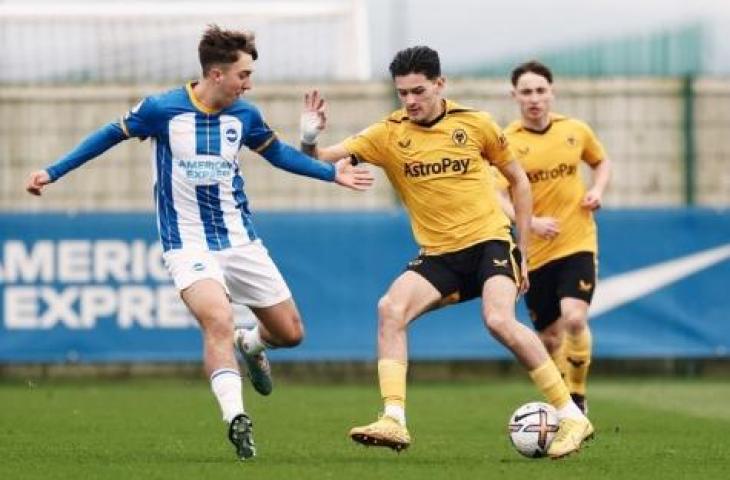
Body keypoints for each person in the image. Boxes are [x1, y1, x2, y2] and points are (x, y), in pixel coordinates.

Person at [25, 25, 373, 461]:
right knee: (217, 321)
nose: (249, 83)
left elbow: (279, 154)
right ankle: (236, 418)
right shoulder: (161, 109)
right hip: (187, 243)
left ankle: (254, 344)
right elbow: (106, 136)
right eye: (243, 74)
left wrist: (330, 173)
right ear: (215, 74)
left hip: (240, 241)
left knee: (291, 333)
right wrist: (53, 172)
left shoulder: (244, 115)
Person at [299, 46, 592, 458]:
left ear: (440, 84)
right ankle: (393, 420)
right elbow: (317, 160)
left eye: (419, 90)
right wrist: (311, 136)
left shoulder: (476, 124)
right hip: (439, 254)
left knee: (497, 319)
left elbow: (518, 182)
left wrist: (522, 250)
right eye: (403, 93)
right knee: (390, 309)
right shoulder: (388, 134)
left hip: (490, 240)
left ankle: (571, 415)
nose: (411, 101)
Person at [500, 60, 612, 414]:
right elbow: (496, 194)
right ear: (514, 96)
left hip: (577, 240)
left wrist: (597, 190)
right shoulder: (507, 142)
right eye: (527, 92)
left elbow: (601, 161)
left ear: (552, 92)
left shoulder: (575, 130)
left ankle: (577, 397)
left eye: (540, 91)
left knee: (575, 319)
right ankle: (565, 405)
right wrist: (530, 223)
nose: (534, 98)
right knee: (550, 339)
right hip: (536, 252)